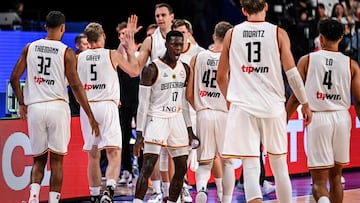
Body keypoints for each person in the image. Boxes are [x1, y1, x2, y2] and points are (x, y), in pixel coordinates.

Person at [216, 1, 313, 202]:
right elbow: (292, 74)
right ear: (266, 6)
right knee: (279, 166)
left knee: (251, 166)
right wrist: (305, 102)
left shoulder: (232, 34)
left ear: (243, 10)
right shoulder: (278, 33)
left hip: (242, 108)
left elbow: (221, 77)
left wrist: (229, 99)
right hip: (272, 107)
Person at [9, 10, 99, 203]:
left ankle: (33, 197)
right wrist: (89, 114)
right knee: (57, 160)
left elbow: (14, 78)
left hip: (35, 108)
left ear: (45, 28)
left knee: (38, 159)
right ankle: (53, 200)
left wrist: (22, 103)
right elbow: (75, 86)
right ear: (63, 28)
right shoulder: (66, 52)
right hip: (58, 107)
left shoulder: (29, 47)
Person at [286, 18, 360, 203]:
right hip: (342, 118)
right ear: (341, 38)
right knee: (336, 177)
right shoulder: (351, 64)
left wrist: (283, 120)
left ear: (320, 37)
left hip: (318, 118)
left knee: (318, 182)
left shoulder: (307, 60)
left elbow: (295, 97)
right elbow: (358, 101)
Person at [77, 16, 141, 203]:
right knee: (114, 152)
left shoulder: (79, 57)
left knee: (93, 154)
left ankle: (95, 194)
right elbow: (134, 72)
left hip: (88, 108)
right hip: (107, 105)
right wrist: (130, 48)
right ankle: (110, 190)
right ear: (103, 36)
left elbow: (71, 84)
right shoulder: (111, 54)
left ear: (87, 41)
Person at [133, 30, 196, 203]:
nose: (178, 48)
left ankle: (171, 200)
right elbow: (143, 104)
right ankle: (137, 201)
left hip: (176, 118)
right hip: (157, 118)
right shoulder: (151, 68)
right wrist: (139, 133)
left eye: (180, 45)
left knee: (182, 167)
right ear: (166, 45)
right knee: (148, 166)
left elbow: (183, 102)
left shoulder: (185, 68)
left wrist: (189, 129)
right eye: (174, 44)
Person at [186, 20, 235, 203]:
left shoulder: (197, 58)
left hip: (203, 113)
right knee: (228, 161)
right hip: (224, 113)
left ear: (214, 36)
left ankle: (202, 189)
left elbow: (189, 94)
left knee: (205, 161)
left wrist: (199, 108)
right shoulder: (231, 59)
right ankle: (226, 199)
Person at [133, 3, 175, 202]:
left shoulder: (181, 38)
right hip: (155, 102)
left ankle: (173, 190)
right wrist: (128, 45)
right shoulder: (151, 40)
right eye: (157, 15)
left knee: (175, 150)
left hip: (175, 101)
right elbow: (135, 69)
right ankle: (158, 191)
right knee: (154, 151)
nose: (159, 18)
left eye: (163, 15)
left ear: (171, 16)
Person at [115, 20, 141, 187]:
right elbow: (120, 56)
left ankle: (142, 168)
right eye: (122, 34)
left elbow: (136, 71)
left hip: (140, 100)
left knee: (141, 136)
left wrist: (129, 44)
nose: (125, 37)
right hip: (122, 101)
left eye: (128, 34)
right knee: (123, 137)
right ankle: (126, 170)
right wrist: (124, 43)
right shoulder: (116, 54)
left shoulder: (138, 54)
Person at [68, 32, 89, 116]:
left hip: (89, 93)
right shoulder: (71, 58)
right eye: (85, 44)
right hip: (74, 95)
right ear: (77, 45)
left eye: (88, 44)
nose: (88, 46)